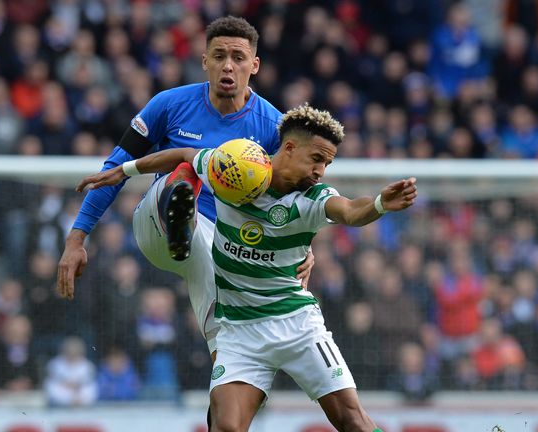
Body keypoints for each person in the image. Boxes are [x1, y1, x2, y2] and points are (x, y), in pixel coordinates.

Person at [79, 104, 417, 431]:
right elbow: (184, 155)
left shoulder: (313, 198)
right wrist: (124, 171)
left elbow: (350, 210)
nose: (320, 171)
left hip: (297, 325)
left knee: (353, 422)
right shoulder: (236, 172)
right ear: (288, 148)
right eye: (316, 159)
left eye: (326, 163)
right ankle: (178, 223)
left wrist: (378, 204)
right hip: (240, 332)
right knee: (226, 426)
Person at [57, 16, 314, 357]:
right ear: (204, 61)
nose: (228, 65)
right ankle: (182, 222)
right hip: (158, 225)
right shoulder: (169, 104)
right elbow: (113, 171)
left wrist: (305, 247)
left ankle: (230, 389)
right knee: (184, 172)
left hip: (221, 243)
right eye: (219, 56)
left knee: (231, 347)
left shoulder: (273, 127)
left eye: (238, 58)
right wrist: (77, 238)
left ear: (254, 65)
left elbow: (293, 197)